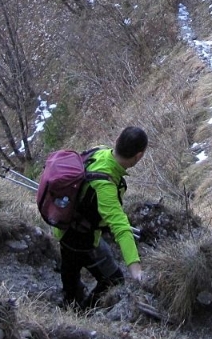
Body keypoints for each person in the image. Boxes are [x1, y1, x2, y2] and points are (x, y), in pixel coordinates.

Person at [58, 126, 148, 310]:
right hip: (80, 238)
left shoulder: (100, 151)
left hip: (63, 223)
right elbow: (121, 227)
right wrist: (136, 268)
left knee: (70, 267)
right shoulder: (105, 185)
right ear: (138, 156)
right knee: (114, 280)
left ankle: (70, 299)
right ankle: (83, 312)